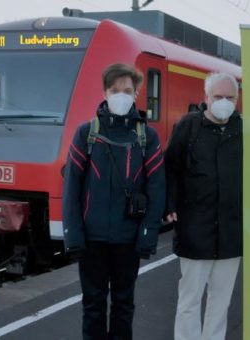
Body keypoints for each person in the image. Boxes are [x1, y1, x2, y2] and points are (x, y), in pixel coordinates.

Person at [62, 63, 166, 340]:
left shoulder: (147, 136)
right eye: (115, 90)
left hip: (128, 239)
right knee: (92, 305)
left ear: (137, 93)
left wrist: (147, 234)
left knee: (124, 304)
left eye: (127, 90)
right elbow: (71, 187)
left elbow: (157, 189)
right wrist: (73, 234)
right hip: (92, 239)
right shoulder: (86, 133)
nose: (121, 95)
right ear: (105, 92)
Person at [164, 72, 243, 340]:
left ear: (237, 98)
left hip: (231, 232)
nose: (224, 102)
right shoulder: (188, 126)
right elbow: (170, 168)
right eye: (218, 97)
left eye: (229, 97)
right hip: (194, 229)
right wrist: (170, 204)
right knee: (189, 301)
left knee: (221, 303)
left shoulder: (244, 129)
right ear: (206, 98)